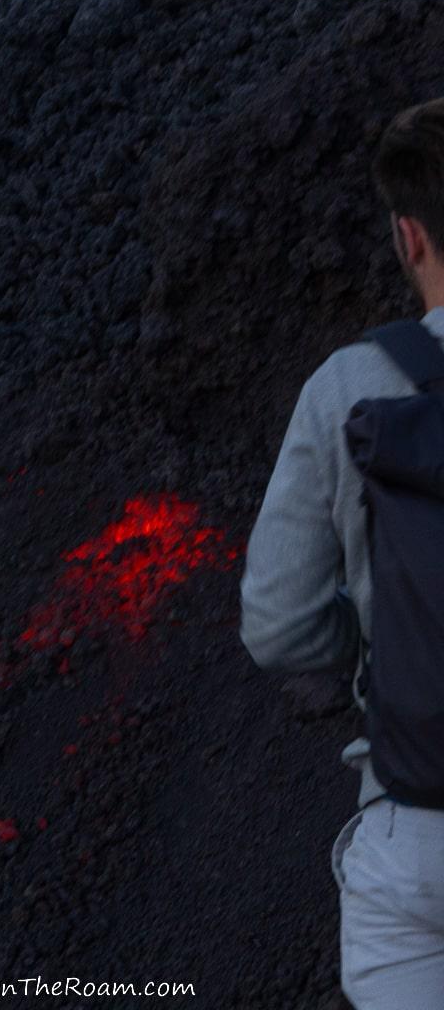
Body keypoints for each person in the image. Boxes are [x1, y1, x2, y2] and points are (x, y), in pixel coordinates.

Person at [238, 97, 444, 1010]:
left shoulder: (348, 388)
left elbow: (277, 624)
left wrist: (379, 649)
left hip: (415, 833)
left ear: (409, 238)